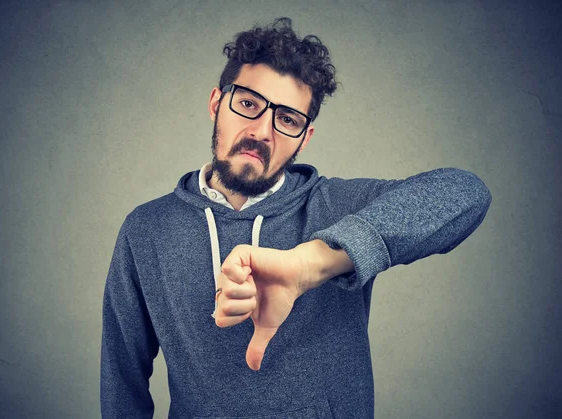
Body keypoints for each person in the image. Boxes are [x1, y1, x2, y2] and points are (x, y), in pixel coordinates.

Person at [100, 17, 491, 419]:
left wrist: (311, 263)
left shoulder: (338, 206)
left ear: (305, 137)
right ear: (217, 102)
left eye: (287, 119)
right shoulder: (146, 229)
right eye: (248, 103)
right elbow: (122, 380)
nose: (262, 130)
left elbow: (465, 193)